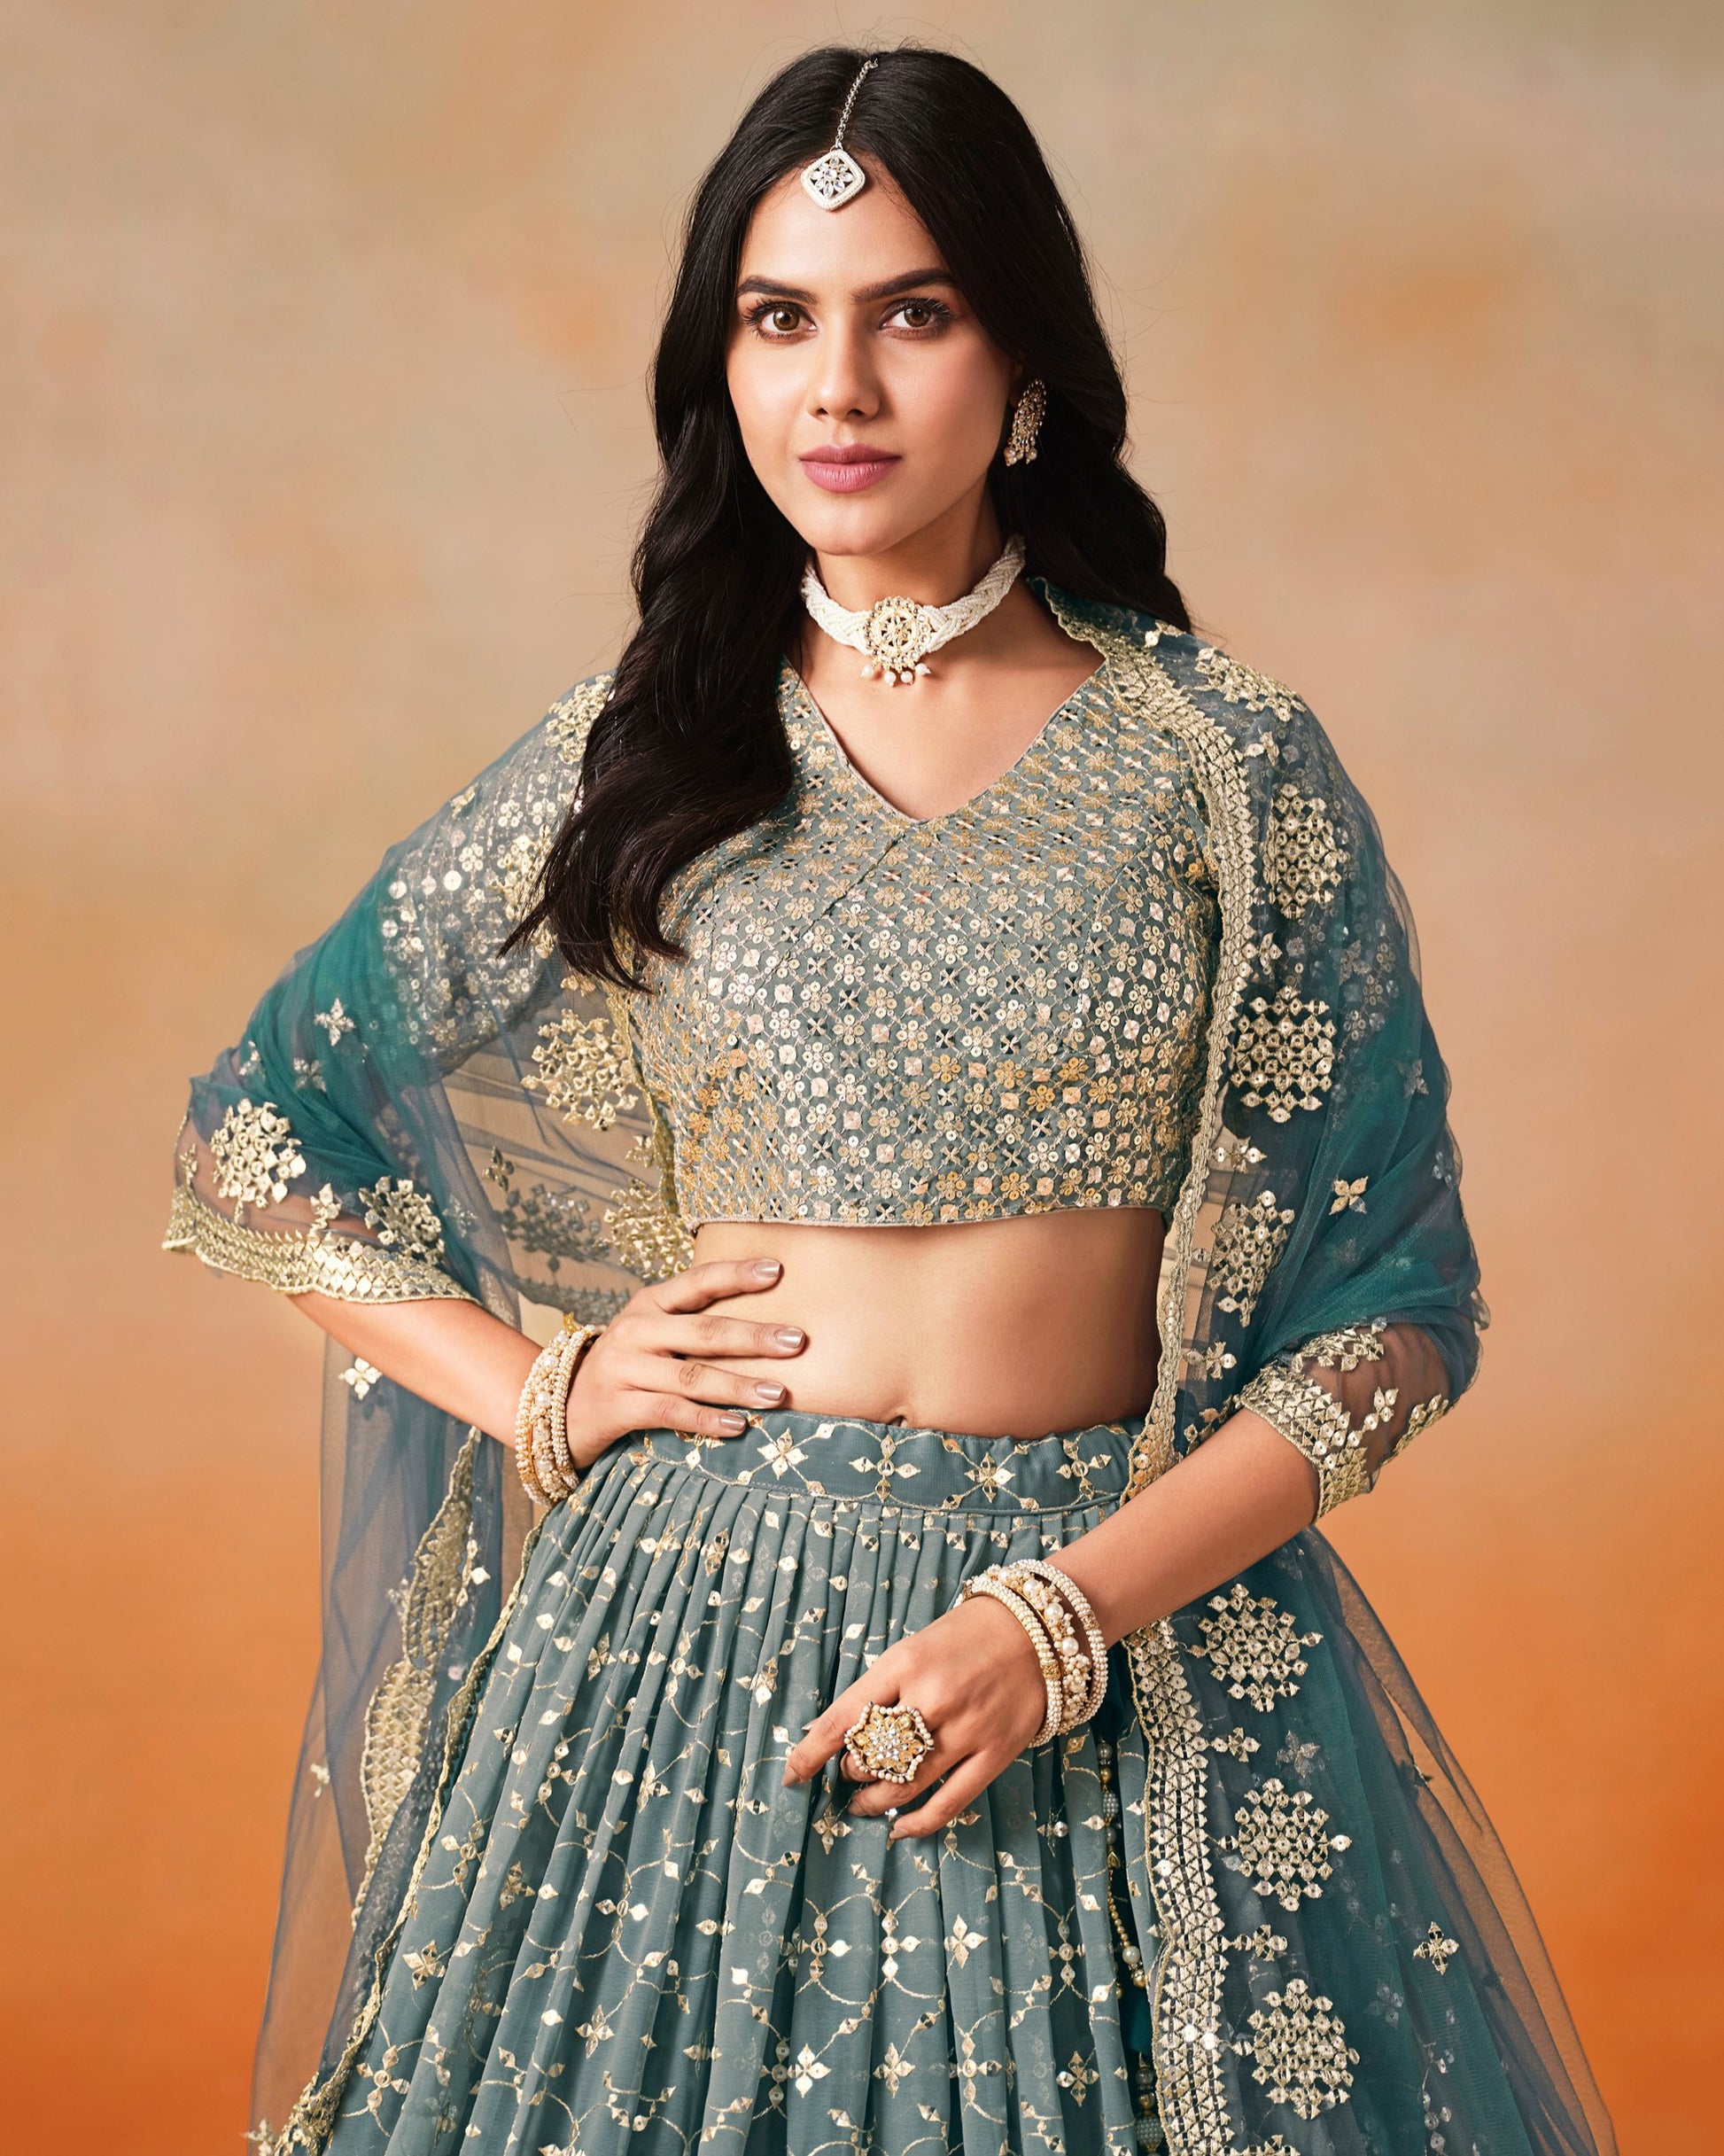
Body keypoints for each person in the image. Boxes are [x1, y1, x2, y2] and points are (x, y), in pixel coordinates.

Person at [167, 44, 1616, 2156]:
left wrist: (1067, 1613)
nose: (837, 388)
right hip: (683, 1656)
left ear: (1023, 355)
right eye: (778, 321)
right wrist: (541, 1391)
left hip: (1113, 1639)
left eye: (910, 313)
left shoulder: (1224, 765)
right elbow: (253, 1134)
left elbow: (1396, 1315)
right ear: (722, 371)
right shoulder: (640, 760)